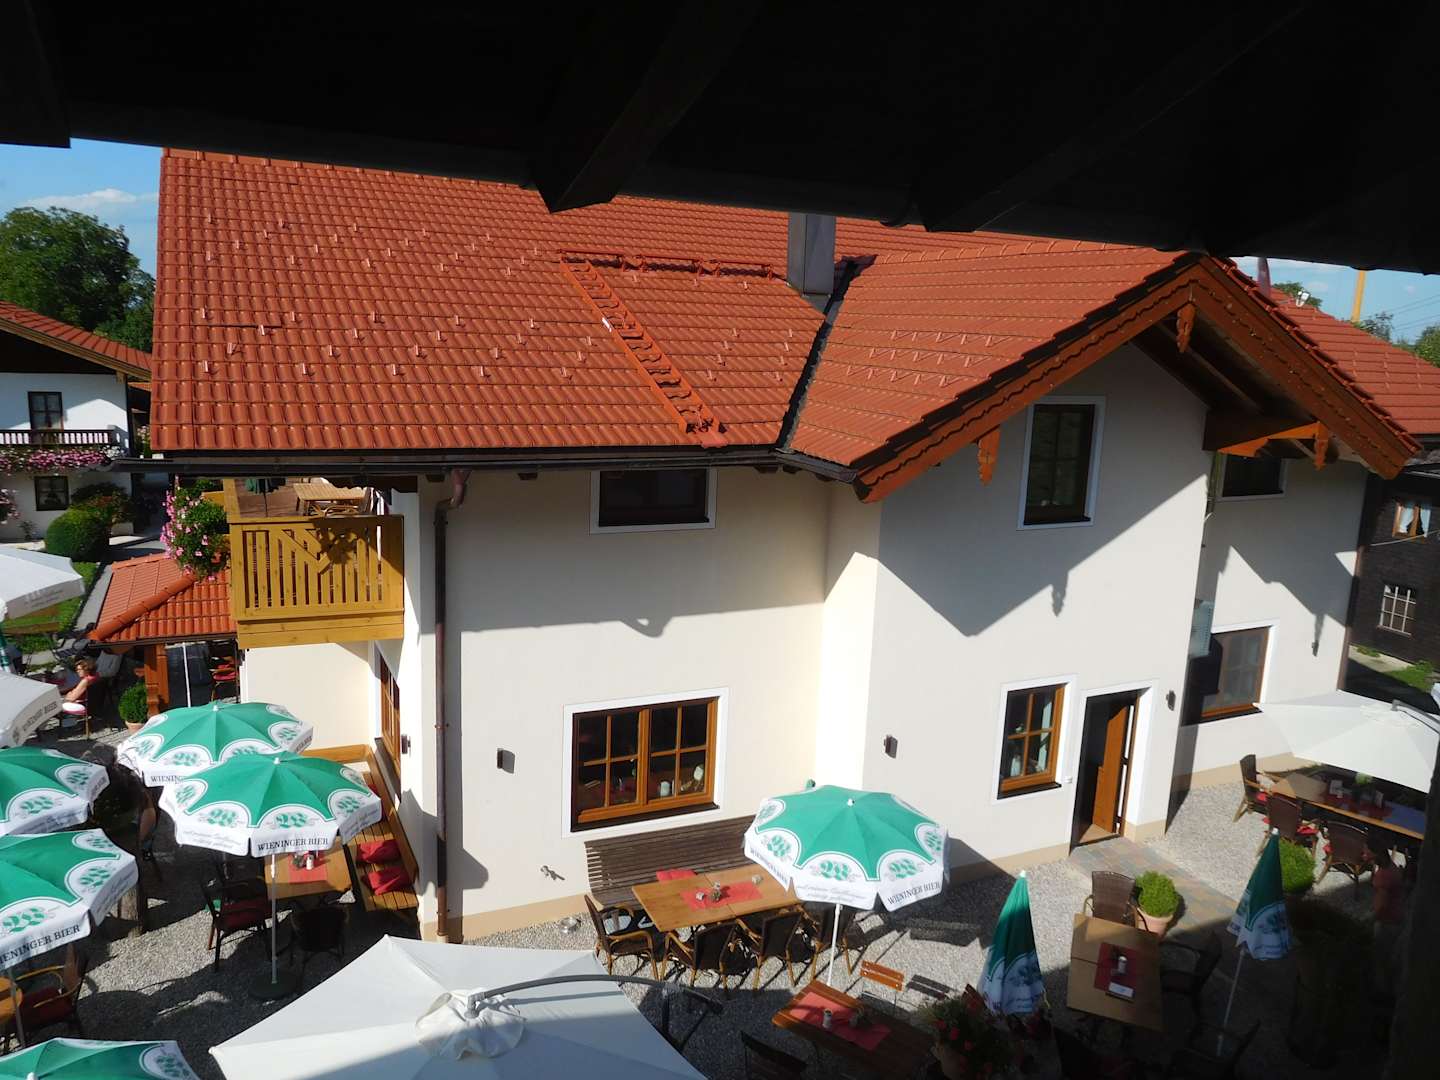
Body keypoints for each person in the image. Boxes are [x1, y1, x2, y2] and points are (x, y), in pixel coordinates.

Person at [60, 658, 98, 723]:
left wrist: (68, 695)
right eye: (77, 669)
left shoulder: (85, 681)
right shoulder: (96, 675)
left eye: (79, 669)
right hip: (93, 703)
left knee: (56, 707)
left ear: (86, 669)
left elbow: (71, 698)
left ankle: (68, 724)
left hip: (83, 705)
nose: (77, 671)